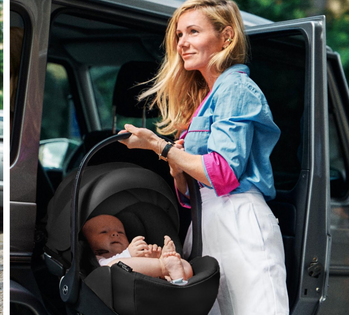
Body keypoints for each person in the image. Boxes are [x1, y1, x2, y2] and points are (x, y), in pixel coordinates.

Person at [118, 0, 288, 313]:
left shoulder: (237, 88)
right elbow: (194, 190)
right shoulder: (209, 97)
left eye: (193, 31)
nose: (182, 42)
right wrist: (178, 169)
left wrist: (160, 146)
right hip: (207, 223)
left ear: (227, 37)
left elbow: (221, 174)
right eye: (180, 34)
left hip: (238, 222)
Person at [82, 214, 193, 284]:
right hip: (121, 286)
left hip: (155, 284)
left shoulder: (133, 252)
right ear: (89, 242)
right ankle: (164, 266)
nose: (115, 234)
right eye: (104, 232)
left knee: (183, 264)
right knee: (114, 266)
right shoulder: (97, 260)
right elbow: (108, 267)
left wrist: (151, 258)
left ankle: (174, 277)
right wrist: (128, 253)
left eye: (120, 232)